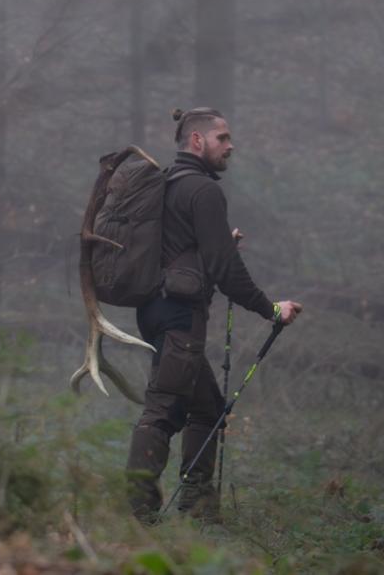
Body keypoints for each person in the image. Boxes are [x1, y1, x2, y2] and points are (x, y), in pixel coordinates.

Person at [125, 107, 303, 521]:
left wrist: (220, 246)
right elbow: (226, 270)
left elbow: (189, 252)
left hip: (154, 311)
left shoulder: (168, 183)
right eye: (222, 138)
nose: (230, 145)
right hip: (178, 318)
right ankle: (139, 516)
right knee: (163, 409)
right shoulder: (203, 190)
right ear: (197, 141)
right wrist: (270, 309)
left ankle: (199, 510)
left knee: (207, 407)